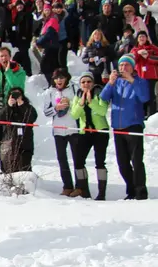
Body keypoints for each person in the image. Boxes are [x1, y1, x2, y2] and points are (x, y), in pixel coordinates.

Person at [100, 55, 150, 200]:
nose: (123, 68)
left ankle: (141, 192)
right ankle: (131, 189)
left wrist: (132, 81)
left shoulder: (140, 81)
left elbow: (145, 97)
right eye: (121, 66)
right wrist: (110, 82)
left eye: (127, 65)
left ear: (132, 67)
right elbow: (103, 98)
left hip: (134, 125)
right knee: (122, 163)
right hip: (118, 126)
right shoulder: (116, 83)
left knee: (136, 160)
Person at [69, 72, 110, 200]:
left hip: (100, 131)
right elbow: (74, 115)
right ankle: (84, 190)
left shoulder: (99, 93)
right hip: (84, 132)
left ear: (93, 83)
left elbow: (102, 111)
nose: (86, 84)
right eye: (83, 82)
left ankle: (101, 192)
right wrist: (81, 103)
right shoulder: (78, 95)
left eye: (88, 81)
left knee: (99, 161)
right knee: (78, 161)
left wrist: (91, 102)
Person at [44, 68, 80, 196]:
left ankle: (80, 186)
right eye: (56, 78)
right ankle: (67, 186)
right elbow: (46, 111)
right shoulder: (50, 92)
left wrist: (70, 105)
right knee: (62, 159)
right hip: (58, 130)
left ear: (66, 78)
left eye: (62, 77)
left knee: (77, 158)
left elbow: (80, 105)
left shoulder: (74, 88)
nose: (59, 80)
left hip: (73, 128)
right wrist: (56, 108)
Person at [0, 88, 37, 176]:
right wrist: (8, 106)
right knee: (9, 169)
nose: (16, 96)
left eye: (18, 94)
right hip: (8, 142)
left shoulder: (28, 107)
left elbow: (32, 118)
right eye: (13, 94)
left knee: (24, 169)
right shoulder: (3, 108)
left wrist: (22, 105)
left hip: (25, 142)